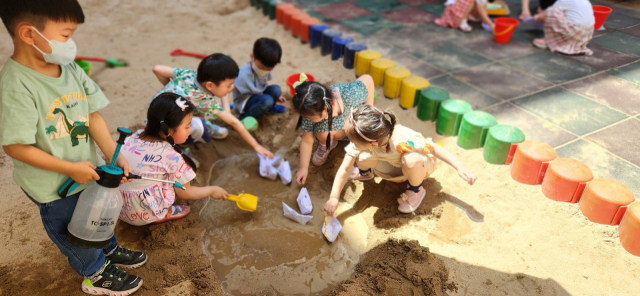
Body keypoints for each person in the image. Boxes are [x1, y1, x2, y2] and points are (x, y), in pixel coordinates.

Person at [0, 0, 145, 294]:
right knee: (70, 227)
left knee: (96, 213)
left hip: (85, 169)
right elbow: (16, 147)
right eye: (65, 35)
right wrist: (69, 168)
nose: (71, 43)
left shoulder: (69, 69)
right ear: (28, 34)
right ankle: (94, 271)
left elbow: (91, 113)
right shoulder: (17, 86)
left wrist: (114, 154)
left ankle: (107, 249)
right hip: (53, 184)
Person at [323, 105, 477, 216]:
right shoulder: (365, 142)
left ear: (372, 143)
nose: (350, 142)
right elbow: (344, 169)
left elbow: (435, 149)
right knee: (362, 156)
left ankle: (416, 189)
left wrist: (460, 167)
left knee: (410, 159)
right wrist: (333, 198)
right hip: (393, 166)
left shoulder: (403, 140)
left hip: (417, 167)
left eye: (353, 140)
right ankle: (365, 173)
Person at [119, 93, 229, 226]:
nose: (190, 129)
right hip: (142, 215)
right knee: (173, 180)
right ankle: (162, 214)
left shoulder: (132, 137)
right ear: (169, 130)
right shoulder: (172, 156)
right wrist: (212, 190)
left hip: (119, 206)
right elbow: (186, 193)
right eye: (187, 126)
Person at [152, 54, 274, 160]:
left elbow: (157, 69)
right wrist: (256, 146)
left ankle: (197, 125)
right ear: (210, 85)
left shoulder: (189, 74)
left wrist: (170, 89)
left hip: (158, 108)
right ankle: (182, 146)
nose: (231, 88)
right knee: (198, 126)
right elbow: (234, 123)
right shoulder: (204, 100)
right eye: (229, 85)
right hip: (163, 127)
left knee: (195, 111)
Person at [292, 74, 375, 185]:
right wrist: (303, 167)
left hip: (352, 121)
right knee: (323, 134)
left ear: (326, 109)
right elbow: (307, 140)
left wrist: (368, 107)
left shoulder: (350, 94)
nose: (307, 119)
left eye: (311, 118)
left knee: (367, 136)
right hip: (333, 129)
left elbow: (368, 79)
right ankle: (327, 145)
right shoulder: (308, 111)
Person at [232, 37, 287, 120]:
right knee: (267, 100)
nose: (265, 71)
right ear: (252, 57)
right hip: (245, 101)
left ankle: (269, 108)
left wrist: (277, 97)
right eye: (262, 67)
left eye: (269, 69)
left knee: (276, 89)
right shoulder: (242, 74)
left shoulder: (266, 69)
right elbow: (228, 88)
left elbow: (264, 83)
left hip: (259, 96)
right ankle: (245, 117)